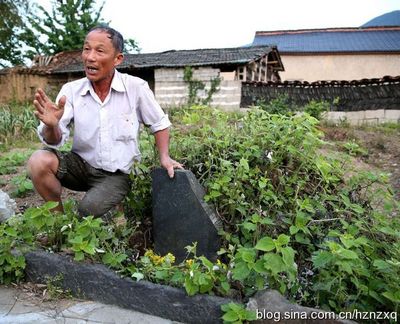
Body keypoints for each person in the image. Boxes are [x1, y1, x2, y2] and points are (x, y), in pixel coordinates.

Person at [27, 25, 183, 219]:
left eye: (99, 51)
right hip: (81, 166)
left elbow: (159, 124)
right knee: (39, 161)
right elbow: (54, 140)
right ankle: (58, 221)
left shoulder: (135, 87)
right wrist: (52, 126)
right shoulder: (71, 91)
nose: (90, 57)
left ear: (117, 59)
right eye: (86, 49)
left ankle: (115, 205)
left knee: (88, 210)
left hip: (116, 175)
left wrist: (165, 157)